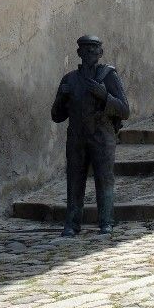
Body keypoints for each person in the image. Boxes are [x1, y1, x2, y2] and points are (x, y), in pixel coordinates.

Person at [51, 35, 130, 236]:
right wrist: (62, 96)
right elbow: (56, 116)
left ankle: (106, 221)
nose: (90, 53)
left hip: (102, 135)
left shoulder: (108, 76)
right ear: (79, 53)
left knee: (104, 179)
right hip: (77, 136)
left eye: (94, 50)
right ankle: (71, 223)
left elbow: (124, 110)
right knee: (74, 180)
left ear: (100, 53)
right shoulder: (70, 80)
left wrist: (104, 96)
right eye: (85, 50)